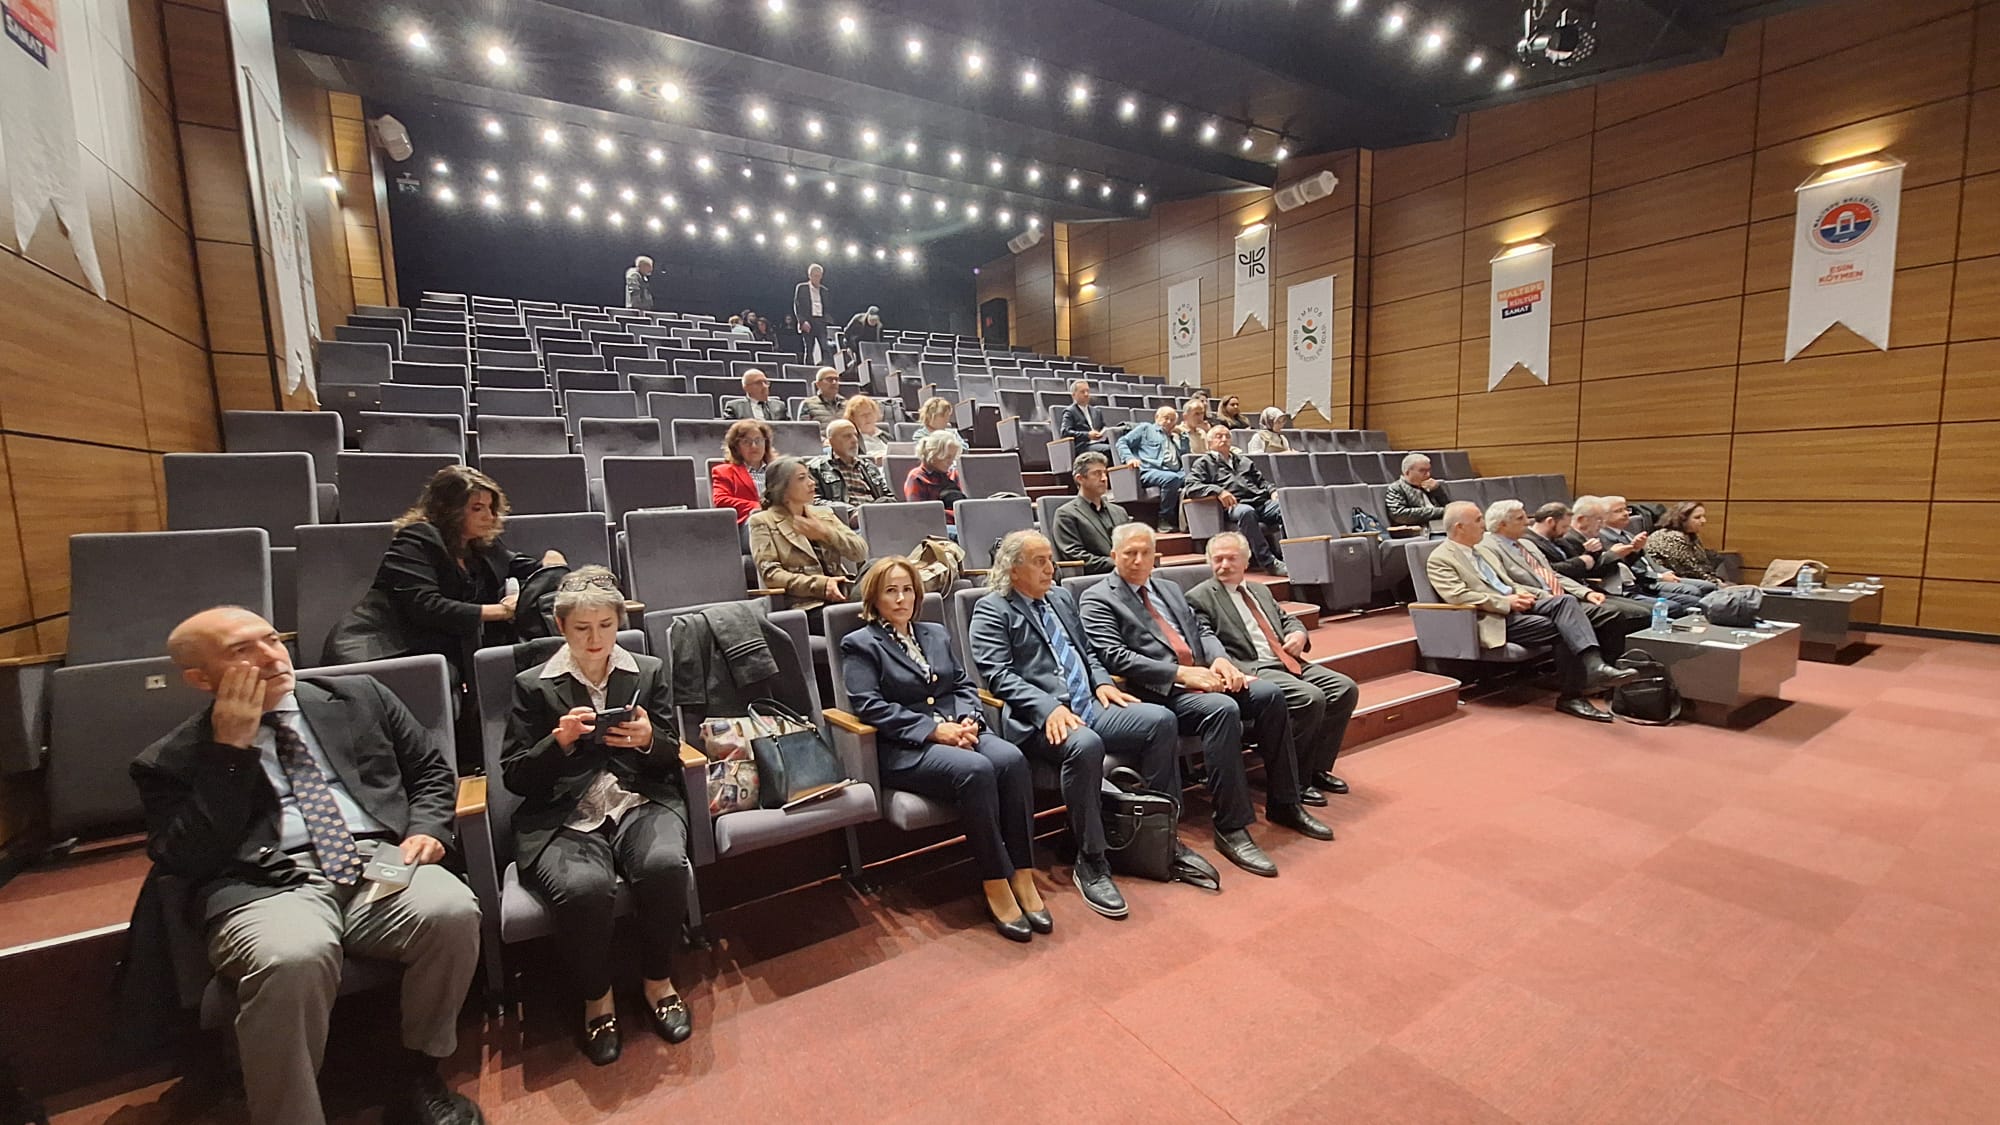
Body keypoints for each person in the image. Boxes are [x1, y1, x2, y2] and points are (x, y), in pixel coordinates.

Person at [132, 607, 483, 1125]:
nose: (270, 655)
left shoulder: (361, 696)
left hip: (377, 857)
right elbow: (187, 857)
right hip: (266, 880)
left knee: (452, 911)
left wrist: (427, 829)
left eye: (272, 639)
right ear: (200, 679)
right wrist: (230, 752)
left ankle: (418, 1072)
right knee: (292, 956)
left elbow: (431, 771)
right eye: (241, 651)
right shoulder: (172, 758)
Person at [969, 531, 1217, 916]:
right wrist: (1047, 708)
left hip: (1089, 703)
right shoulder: (992, 608)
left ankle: (1159, 838)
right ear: (1013, 569)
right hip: (1040, 719)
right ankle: (1091, 859)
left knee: (1160, 721)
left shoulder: (1060, 598)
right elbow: (998, 675)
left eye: (1050, 559)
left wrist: (1101, 683)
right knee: (1085, 744)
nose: (1050, 568)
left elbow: (1087, 652)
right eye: (1039, 561)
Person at [503, 568, 690, 1065]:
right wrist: (558, 743)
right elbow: (515, 776)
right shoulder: (533, 685)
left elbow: (671, 753)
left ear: (618, 623)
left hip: (637, 799)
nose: (595, 639)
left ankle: (658, 981)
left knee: (664, 865)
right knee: (584, 888)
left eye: (606, 625)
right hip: (563, 815)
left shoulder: (646, 671)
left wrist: (648, 740)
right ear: (561, 627)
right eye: (582, 628)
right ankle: (597, 998)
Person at [1079, 523, 1332, 877]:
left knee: (1269, 694)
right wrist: (1180, 674)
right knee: (1222, 709)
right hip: (1158, 691)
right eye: (1129, 553)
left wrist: (1220, 660)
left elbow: (1200, 630)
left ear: (1155, 556)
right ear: (1113, 556)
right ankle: (1231, 826)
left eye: (1145, 553)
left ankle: (1285, 802)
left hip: (1203, 676)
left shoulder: (1168, 588)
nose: (1138, 560)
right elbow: (1114, 655)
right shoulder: (1096, 597)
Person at [841, 559, 1046, 941]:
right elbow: (869, 706)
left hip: (959, 730)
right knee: (976, 770)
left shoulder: (934, 633)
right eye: (890, 591)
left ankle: (1022, 872)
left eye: (907, 590)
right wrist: (935, 731)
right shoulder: (861, 643)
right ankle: (995, 880)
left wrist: (970, 720)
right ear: (874, 597)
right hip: (907, 747)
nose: (901, 599)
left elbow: (963, 685)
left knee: (1012, 760)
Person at [329, 465, 565, 763]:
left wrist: (554, 560)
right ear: (449, 509)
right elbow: (426, 606)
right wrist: (503, 611)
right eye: (477, 508)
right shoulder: (417, 539)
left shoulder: (480, 547)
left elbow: (530, 568)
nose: (489, 516)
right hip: (380, 649)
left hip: (432, 653)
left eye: (491, 508)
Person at [1425, 501, 1637, 723]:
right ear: (1459, 527)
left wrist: (1530, 594)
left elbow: (1509, 583)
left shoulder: (1480, 551)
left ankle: (1593, 666)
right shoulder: (1441, 558)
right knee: (1564, 627)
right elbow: (1458, 596)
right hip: (1494, 617)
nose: (1483, 525)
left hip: (1519, 604)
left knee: (1564, 602)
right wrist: (1506, 602)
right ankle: (1574, 694)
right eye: (1478, 520)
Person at [1187, 533, 1357, 798]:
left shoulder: (1260, 590)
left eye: (1231, 558)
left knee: (1344, 688)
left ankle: (1316, 768)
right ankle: (1294, 780)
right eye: (1217, 559)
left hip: (1285, 659)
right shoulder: (1199, 597)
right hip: (1251, 667)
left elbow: (1286, 619)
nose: (1224, 565)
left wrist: (1299, 634)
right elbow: (1205, 638)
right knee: (1309, 698)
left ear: (1246, 561)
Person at [1484, 500, 1649, 655]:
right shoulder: (1489, 546)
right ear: (1502, 524)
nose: (1527, 522)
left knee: (1641, 612)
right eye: (1520, 518)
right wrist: (1550, 595)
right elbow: (1508, 583)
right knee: (1612, 614)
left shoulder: (1527, 544)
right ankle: (1601, 667)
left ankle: (1606, 666)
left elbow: (1552, 574)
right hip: (1538, 600)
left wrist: (1586, 593)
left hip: (1564, 596)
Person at [747, 456, 867, 621]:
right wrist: (821, 585)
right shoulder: (763, 521)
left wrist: (825, 533)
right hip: (808, 606)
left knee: (877, 567)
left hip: (843, 594)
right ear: (782, 488)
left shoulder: (823, 514)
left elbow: (860, 552)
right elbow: (771, 575)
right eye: (802, 478)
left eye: (809, 477)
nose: (812, 483)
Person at [1184, 425, 1288, 576]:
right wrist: (1218, 491)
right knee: (1247, 512)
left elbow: (1262, 482)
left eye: (1227, 436)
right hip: (1235, 505)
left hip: (1259, 501)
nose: (1224, 439)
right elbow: (1191, 487)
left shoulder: (1243, 461)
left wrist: (1272, 491)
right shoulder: (1204, 463)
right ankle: (1269, 563)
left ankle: (1289, 556)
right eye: (1219, 436)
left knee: (1285, 508)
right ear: (1209, 442)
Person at [1594, 495, 1715, 608]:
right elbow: (1626, 568)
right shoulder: (1601, 538)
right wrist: (1660, 576)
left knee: (1706, 589)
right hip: (1642, 581)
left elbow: (1649, 560)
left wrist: (1665, 572)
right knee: (1692, 596)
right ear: (1602, 516)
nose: (1626, 514)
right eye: (1618, 511)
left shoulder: (1628, 534)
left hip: (1654, 576)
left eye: (1626, 509)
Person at [1050, 451, 1128, 574]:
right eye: (1097, 473)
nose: (1104, 478)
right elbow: (1074, 555)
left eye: (1105, 473)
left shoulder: (1119, 512)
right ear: (1080, 479)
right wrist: (1117, 563)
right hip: (1096, 578)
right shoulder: (1066, 514)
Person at [1114, 405, 1186, 532]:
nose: (1169, 422)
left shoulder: (1175, 437)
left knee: (1194, 478)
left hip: (1174, 471)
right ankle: (1164, 519)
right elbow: (1122, 442)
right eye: (1166, 418)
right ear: (1157, 417)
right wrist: (1129, 458)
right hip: (1149, 471)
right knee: (1172, 479)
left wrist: (1183, 437)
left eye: (1172, 420)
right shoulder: (1146, 428)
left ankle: (1187, 520)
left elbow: (1185, 454)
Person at [808, 419, 895, 521]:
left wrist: (871, 511)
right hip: (844, 522)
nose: (854, 440)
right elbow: (813, 501)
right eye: (847, 436)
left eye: (855, 435)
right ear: (832, 442)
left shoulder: (868, 466)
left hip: (876, 517)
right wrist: (850, 512)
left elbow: (889, 497)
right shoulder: (816, 468)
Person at [710, 418, 778, 526]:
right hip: (749, 523)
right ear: (736, 447)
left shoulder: (779, 470)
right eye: (746, 441)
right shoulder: (723, 472)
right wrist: (759, 507)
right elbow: (721, 500)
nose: (753, 446)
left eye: (758, 440)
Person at [1645, 501, 1729, 584]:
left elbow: (1702, 562)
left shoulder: (1691, 535)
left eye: (1703, 516)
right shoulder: (1671, 537)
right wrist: (1716, 582)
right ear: (1682, 520)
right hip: (1663, 579)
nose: (1704, 520)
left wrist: (1716, 579)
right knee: (1712, 586)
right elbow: (1689, 570)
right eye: (1697, 517)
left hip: (1681, 576)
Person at [903, 428, 966, 520]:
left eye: (953, 457)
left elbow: (964, 506)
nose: (951, 462)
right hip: (933, 525)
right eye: (947, 457)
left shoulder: (953, 474)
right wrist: (957, 516)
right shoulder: (917, 477)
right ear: (933, 454)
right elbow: (918, 513)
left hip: (961, 522)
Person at [1385, 453, 1449, 529]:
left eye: (1429, 470)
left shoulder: (1432, 486)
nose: (1428, 475)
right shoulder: (1396, 488)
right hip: (1419, 531)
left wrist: (1437, 491)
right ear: (1407, 472)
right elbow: (1399, 515)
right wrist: (1441, 511)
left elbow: (1448, 507)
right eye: (1422, 471)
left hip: (1442, 527)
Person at [1057, 380, 1113, 460]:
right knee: (1111, 450)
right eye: (1082, 392)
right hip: (1083, 446)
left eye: (1088, 391)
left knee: (1119, 447)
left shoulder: (1096, 411)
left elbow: (1103, 428)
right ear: (1073, 395)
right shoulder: (1070, 411)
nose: (1086, 394)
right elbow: (1065, 432)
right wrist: (1087, 435)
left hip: (1100, 443)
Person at [793, 262, 831, 363]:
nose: (817, 278)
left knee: (825, 347)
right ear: (809, 276)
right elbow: (797, 306)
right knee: (809, 349)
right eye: (815, 276)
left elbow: (827, 308)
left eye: (819, 276)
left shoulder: (824, 291)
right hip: (808, 321)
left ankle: (826, 368)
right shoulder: (802, 288)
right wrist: (802, 321)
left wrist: (826, 320)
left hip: (820, 321)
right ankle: (808, 369)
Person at [722, 368, 791, 422]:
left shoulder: (780, 406)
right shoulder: (734, 407)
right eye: (758, 383)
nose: (764, 386)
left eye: (766, 382)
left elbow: (790, 429)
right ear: (746, 387)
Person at [843, 394, 890, 459]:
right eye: (862, 415)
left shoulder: (886, 435)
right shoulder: (851, 440)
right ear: (853, 418)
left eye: (869, 413)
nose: (867, 417)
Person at [840, 305, 882, 371]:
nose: (873, 322)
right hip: (854, 346)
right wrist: (848, 347)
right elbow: (847, 333)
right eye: (872, 320)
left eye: (875, 320)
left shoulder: (878, 327)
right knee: (855, 363)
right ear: (868, 316)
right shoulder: (857, 319)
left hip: (868, 349)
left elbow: (878, 342)